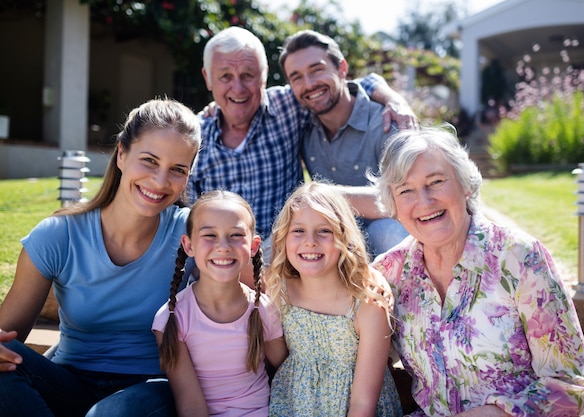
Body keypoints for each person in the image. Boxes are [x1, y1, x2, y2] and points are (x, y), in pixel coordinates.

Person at [369, 126, 584, 416]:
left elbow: (572, 384)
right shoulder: (389, 272)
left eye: (436, 181)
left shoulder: (519, 257)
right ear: (392, 205)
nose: (425, 201)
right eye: (406, 190)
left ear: (465, 184)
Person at [0, 98, 202, 417]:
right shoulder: (58, 235)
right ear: (121, 153)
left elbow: (249, 302)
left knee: (112, 413)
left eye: (178, 169)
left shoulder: (191, 233)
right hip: (69, 383)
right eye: (149, 160)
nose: (160, 181)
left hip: (149, 390)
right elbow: (7, 338)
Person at [187, 26, 417, 268]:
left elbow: (345, 85)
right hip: (224, 257)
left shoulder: (287, 108)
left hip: (286, 252)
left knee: (385, 232)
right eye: (225, 77)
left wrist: (394, 99)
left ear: (264, 76)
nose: (238, 88)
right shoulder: (194, 137)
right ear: (208, 78)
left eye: (248, 75)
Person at [265, 181, 403, 417]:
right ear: (283, 238)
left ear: (344, 238)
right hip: (293, 407)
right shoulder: (278, 290)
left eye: (324, 230)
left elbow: (362, 405)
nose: (310, 241)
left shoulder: (368, 306)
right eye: (298, 230)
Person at [152, 190, 287, 417]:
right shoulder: (172, 318)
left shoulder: (263, 309)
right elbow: (191, 404)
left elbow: (288, 374)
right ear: (189, 245)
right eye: (209, 235)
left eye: (235, 235)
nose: (223, 246)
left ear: (253, 247)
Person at [279, 29, 409, 257]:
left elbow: (404, 198)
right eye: (297, 77)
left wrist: (323, 195)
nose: (309, 84)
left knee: (385, 232)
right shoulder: (302, 125)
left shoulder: (386, 123)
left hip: (390, 237)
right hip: (338, 239)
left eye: (317, 69)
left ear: (342, 69)